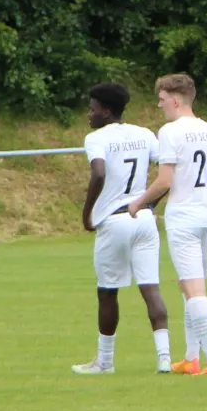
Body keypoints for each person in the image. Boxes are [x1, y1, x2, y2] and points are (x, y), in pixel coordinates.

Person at [126, 73, 207, 375]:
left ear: (176, 100)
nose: (159, 105)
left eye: (162, 99)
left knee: (194, 291)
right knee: (189, 284)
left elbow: (165, 181)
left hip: (184, 218)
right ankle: (192, 358)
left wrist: (138, 202)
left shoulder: (170, 131)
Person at [72, 82, 172, 374]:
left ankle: (105, 362)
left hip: (114, 221)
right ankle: (164, 357)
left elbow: (98, 173)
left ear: (105, 112)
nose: (89, 114)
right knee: (150, 288)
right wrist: (150, 203)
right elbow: (169, 174)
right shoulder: (144, 134)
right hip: (142, 218)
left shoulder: (95, 138)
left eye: (92, 109)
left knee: (108, 292)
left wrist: (88, 213)